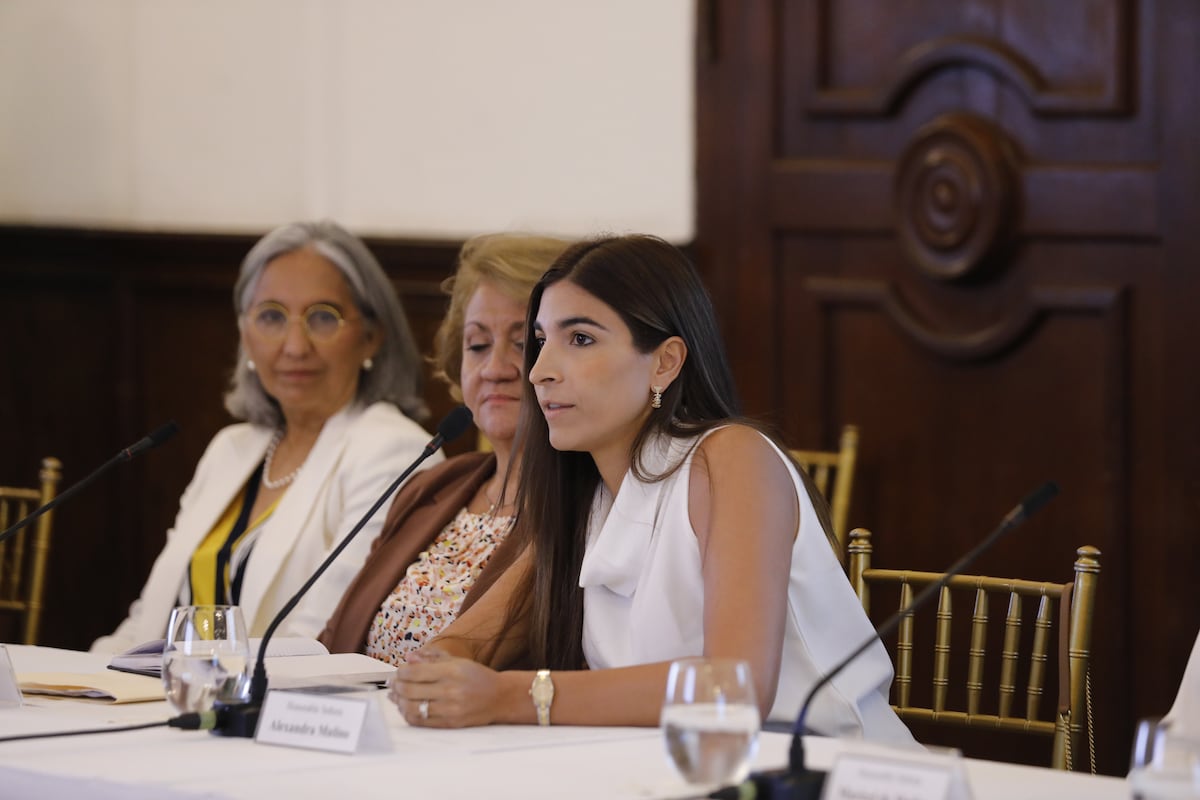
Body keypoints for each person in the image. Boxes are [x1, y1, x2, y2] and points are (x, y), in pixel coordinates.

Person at [387, 234, 914, 745]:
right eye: (543, 342)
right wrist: (437, 670)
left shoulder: (732, 458)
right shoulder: (588, 495)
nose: (539, 372)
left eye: (581, 339)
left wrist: (509, 695)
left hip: (823, 772)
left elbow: (736, 688)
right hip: (667, 772)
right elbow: (471, 639)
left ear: (665, 361)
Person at [91, 220, 439, 653]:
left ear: (371, 337)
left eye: (323, 318)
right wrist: (91, 681)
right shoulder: (231, 449)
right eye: (272, 316)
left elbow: (321, 635)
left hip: (273, 709)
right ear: (244, 334)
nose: (295, 346)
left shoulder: (392, 451)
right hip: (173, 699)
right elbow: (151, 616)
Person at [319, 233, 571, 663]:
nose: (494, 369)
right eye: (477, 345)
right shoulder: (431, 487)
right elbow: (335, 638)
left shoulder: (590, 503)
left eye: (525, 344)